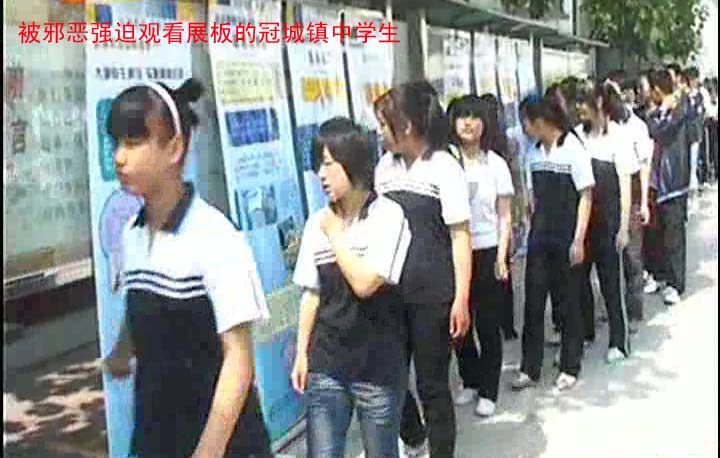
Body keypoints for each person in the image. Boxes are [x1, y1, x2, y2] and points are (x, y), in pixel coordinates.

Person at [101, 78, 273, 457]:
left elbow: (239, 359)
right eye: (116, 143)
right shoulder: (131, 233)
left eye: (134, 142)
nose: (119, 157)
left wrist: (208, 451)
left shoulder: (215, 236)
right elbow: (143, 302)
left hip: (223, 442)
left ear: (175, 148)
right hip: (156, 433)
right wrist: (120, 352)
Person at [291, 117, 412, 458]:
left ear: (354, 163)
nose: (321, 174)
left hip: (377, 366)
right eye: (318, 165)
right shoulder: (316, 223)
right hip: (327, 363)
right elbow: (311, 293)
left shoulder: (389, 216)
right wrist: (301, 353)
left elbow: (365, 283)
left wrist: (336, 236)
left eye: (329, 164)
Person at [374, 81, 472, 458]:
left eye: (384, 125)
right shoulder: (384, 167)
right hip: (389, 293)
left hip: (433, 294)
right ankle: (413, 436)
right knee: (390, 376)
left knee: (432, 384)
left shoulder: (444, 167)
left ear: (407, 125)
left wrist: (461, 298)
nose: (380, 133)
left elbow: (460, 236)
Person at [511, 94, 594, 393]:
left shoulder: (573, 148)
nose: (524, 128)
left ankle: (570, 365)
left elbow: (586, 195)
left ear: (540, 121)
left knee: (568, 301)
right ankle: (529, 368)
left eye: (526, 121)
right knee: (533, 303)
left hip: (566, 236)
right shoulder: (532, 153)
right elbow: (531, 195)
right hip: (539, 237)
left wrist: (579, 239)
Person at [446, 95, 515, 417]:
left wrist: (502, 255)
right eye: (462, 116)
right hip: (454, 253)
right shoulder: (445, 162)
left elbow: (505, 215)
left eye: (474, 117)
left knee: (488, 324)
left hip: (487, 250)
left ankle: (489, 389)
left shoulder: (495, 164)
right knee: (459, 323)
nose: (468, 123)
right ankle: (470, 379)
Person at [575, 82, 635, 362]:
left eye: (583, 102)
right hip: (583, 219)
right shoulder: (577, 136)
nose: (578, 108)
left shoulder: (618, 136)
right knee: (579, 281)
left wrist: (623, 227)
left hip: (608, 220)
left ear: (599, 102)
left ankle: (619, 341)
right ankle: (585, 332)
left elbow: (625, 185)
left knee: (611, 282)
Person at [608, 71, 655, 333]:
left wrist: (645, 202)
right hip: (610, 196)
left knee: (632, 256)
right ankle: (616, 309)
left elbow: (645, 166)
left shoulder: (637, 127)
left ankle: (634, 311)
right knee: (611, 256)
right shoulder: (604, 128)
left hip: (634, 194)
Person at [646, 69, 691, 305]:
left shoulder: (680, 109)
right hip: (657, 182)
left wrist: (664, 110)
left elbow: (659, 131)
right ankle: (661, 276)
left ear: (656, 89)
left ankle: (676, 284)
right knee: (658, 235)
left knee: (674, 236)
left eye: (648, 89)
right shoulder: (658, 111)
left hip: (673, 183)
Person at [478, 93, 519, 340]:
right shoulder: (502, 140)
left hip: (493, 221)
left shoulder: (495, 151)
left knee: (498, 273)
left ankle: (502, 323)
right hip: (495, 220)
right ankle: (507, 324)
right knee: (503, 274)